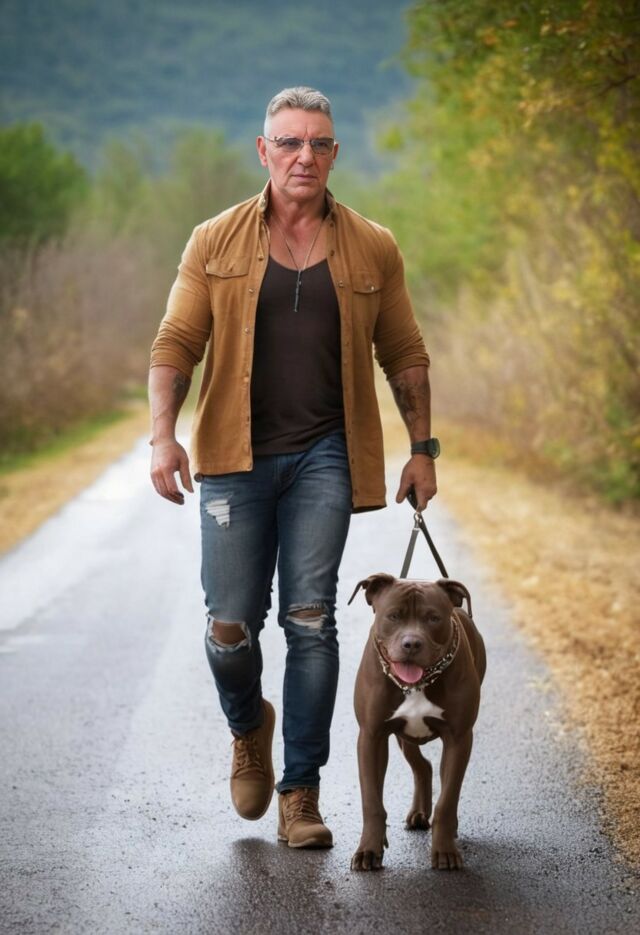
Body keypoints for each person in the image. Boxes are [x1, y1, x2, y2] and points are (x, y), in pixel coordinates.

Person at [148, 86, 438, 848]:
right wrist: (162, 436)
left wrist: (422, 448)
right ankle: (250, 725)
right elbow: (176, 342)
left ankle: (300, 793)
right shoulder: (213, 239)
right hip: (232, 458)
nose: (304, 155)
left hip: (324, 455)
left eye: (318, 143)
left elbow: (404, 351)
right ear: (264, 150)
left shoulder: (373, 245)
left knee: (311, 620)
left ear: (334, 153)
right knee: (230, 625)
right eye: (289, 142)